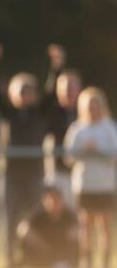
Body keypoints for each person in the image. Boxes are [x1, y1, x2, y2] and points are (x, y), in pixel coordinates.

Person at [0, 42, 53, 268]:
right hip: (10, 173)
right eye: (21, 91)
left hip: (33, 173)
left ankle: (33, 258)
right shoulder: (8, 113)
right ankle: (9, 259)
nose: (25, 96)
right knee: (9, 218)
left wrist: (56, 68)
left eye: (28, 91)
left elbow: (52, 95)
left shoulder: (38, 113)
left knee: (34, 218)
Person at [64, 87, 117, 268]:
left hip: (104, 184)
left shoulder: (109, 128)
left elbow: (114, 156)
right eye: (89, 106)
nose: (93, 110)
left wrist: (98, 152)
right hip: (84, 183)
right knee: (85, 223)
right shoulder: (77, 129)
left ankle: (105, 261)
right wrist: (84, 151)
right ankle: (86, 260)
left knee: (105, 224)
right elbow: (68, 157)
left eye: (96, 106)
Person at [42, 44, 82, 208]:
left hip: (81, 172)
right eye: (65, 88)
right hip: (58, 171)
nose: (68, 92)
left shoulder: (85, 112)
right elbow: (47, 97)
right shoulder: (52, 112)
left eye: (72, 87)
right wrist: (56, 68)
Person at [16, 186, 78, 268]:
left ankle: (72, 262)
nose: (53, 203)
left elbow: (79, 229)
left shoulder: (68, 215)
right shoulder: (38, 215)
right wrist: (40, 243)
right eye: (50, 199)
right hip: (42, 251)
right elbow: (22, 229)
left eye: (56, 199)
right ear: (44, 201)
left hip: (62, 251)